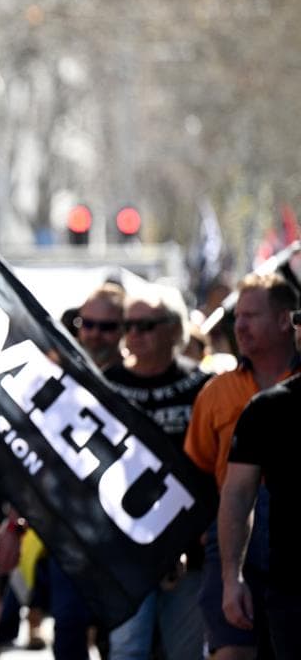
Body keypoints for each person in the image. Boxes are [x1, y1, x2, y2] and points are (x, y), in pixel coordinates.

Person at [185, 272, 299, 660]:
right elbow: (201, 470)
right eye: (238, 316)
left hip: (288, 546)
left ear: (287, 321)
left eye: (251, 315)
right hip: (234, 534)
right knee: (232, 650)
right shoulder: (218, 392)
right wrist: (219, 557)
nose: (240, 326)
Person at [104, 286, 210, 659]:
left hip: (190, 547)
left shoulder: (202, 387)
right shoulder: (105, 387)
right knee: (127, 651)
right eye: (128, 325)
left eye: (145, 325)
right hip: (125, 549)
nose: (134, 334)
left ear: (173, 329)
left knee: (185, 652)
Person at [220, 308, 301, 657]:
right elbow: (237, 495)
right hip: (293, 591)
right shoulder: (268, 408)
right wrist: (231, 577)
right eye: (300, 319)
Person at [50, 284, 123, 660]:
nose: (94, 333)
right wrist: (14, 526)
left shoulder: (136, 384)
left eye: (106, 326)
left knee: (122, 641)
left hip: (126, 537)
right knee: (68, 629)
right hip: (71, 534)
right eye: (86, 323)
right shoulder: (62, 381)